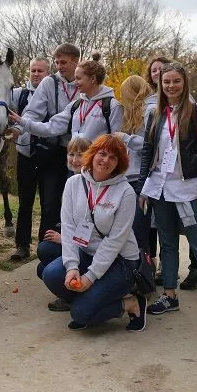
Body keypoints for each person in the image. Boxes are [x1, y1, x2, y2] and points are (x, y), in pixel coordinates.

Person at [139, 62, 197, 320]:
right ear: (160, 84)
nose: (171, 86)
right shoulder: (156, 114)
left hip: (190, 190)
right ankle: (169, 295)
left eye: (176, 81)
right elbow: (147, 151)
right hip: (161, 188)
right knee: (167, 244)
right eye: (166, 81)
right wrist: (143, 188)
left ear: (184, 82)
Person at [41, 135, 147, 332]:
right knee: (51, 274)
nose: (106, 160)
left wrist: (90, 277)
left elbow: (115, 241)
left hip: (120, 261)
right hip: (87, 253)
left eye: (113, 158)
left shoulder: (126, 192)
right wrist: (72, 267)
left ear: (119, 163)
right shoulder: (73, 183)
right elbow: (69, 227)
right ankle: (93, 300)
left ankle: (131, 303)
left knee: (81, 313)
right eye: (102, 154)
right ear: (93, 154)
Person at [16, 44, 81, 241]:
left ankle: (74, 245)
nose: (59, 66)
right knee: (50, 201)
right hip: (53, 150)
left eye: (64, 62)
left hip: (80, 151)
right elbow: (32, 112)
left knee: (77, 201)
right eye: (56, 62)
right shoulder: (49, 83)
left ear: (76, 61)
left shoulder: (84, 82)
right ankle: (46, 248)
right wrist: (20, 129)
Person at [145, 56, 197, 288]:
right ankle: (169, 287)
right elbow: (150, 147)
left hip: (187, 183)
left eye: (164, 72)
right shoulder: (154, 109)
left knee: (195, 236)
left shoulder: (194, 109)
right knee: (166, 238)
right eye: (155, 72)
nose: (161, 77)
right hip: (161, 182)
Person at [10, 53, 122, 143]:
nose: (75, 83)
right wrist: (23, 122)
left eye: (78, 78)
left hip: (101, 167)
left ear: (92, 79)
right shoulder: (76, 105)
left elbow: (118, 141)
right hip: (76, 166)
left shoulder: (112, 106)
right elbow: (51, 127)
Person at [37, 136, 91, 312]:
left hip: (89, 248)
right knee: (44, 253)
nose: (74, 160)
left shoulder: (91, 183)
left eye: (80, 155)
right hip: (76, 242)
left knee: (48, 270)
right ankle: (71, 288)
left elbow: (88, 225)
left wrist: (64, 240)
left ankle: (80, 293)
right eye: (71, 154)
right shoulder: (72, 181)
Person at [113, 75, 156, 271]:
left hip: (142, 178)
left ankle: (144, 273)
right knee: (133, 228)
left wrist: (126, 138)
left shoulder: (149, 111)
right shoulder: (132, 113)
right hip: (129, 177)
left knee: (140, 230)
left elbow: (150, 144)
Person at [10, 58, 47, 260]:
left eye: (40, 70)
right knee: (25, 201)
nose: (35, 74)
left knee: (48, 203)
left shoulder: (53, 94)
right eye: (33, 70)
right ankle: (22, 245)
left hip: (48, 155)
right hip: (25, 154)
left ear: (48, 73)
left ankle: (45, 244)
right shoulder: (19, 94)